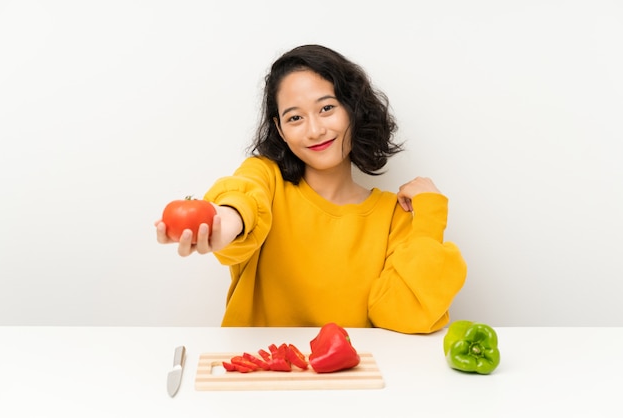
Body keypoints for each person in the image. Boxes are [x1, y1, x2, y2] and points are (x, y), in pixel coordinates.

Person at [156, 44, 467, 334]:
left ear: (352, 109)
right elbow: (244, 197)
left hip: (349, 385)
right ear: (280, 129)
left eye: (327, 108)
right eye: (295, 117)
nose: (315, 130)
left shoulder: (393, 216)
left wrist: (430, 215)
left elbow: (404, 313)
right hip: (258, 381)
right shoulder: (267, 178)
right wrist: (225, 224)